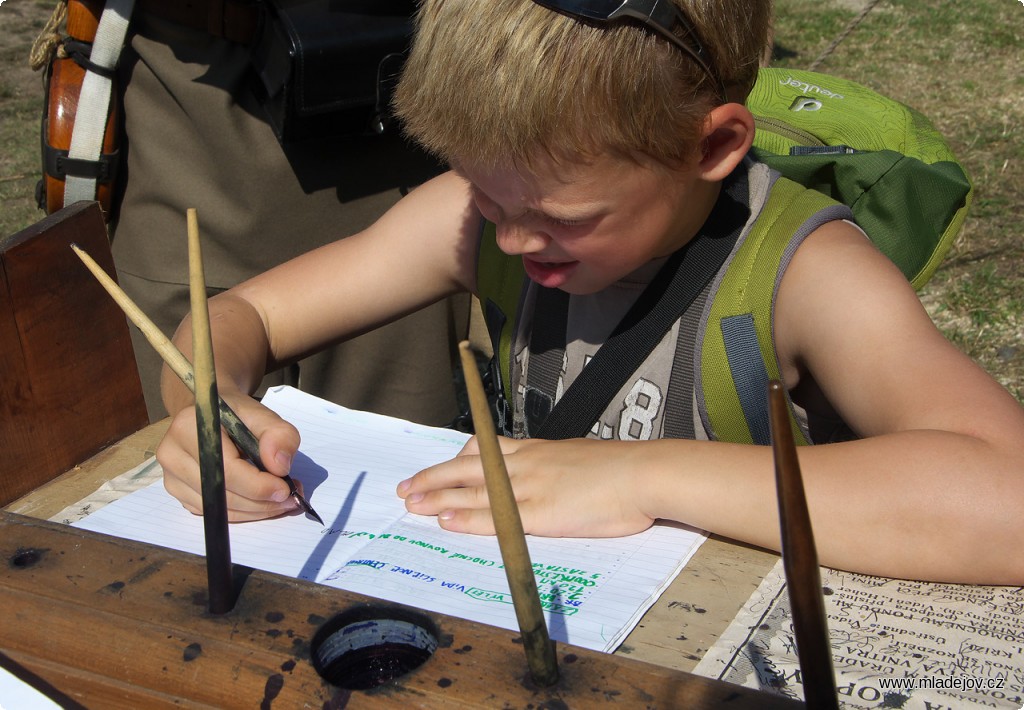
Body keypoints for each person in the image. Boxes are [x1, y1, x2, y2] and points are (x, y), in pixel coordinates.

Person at [155, 0, 1024, 586]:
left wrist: (640, 475)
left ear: (713, 146)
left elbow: (1007, 496)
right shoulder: (480, 219)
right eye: (487, 195)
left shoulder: (804, 277)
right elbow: (243, 315)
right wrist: (210, 403)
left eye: (561, 215)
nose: (510, 238)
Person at [108, 1, 468, 425]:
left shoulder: (484, 214)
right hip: (198, 124)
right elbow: (213, 348)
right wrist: (201, 410)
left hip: (394, 106)